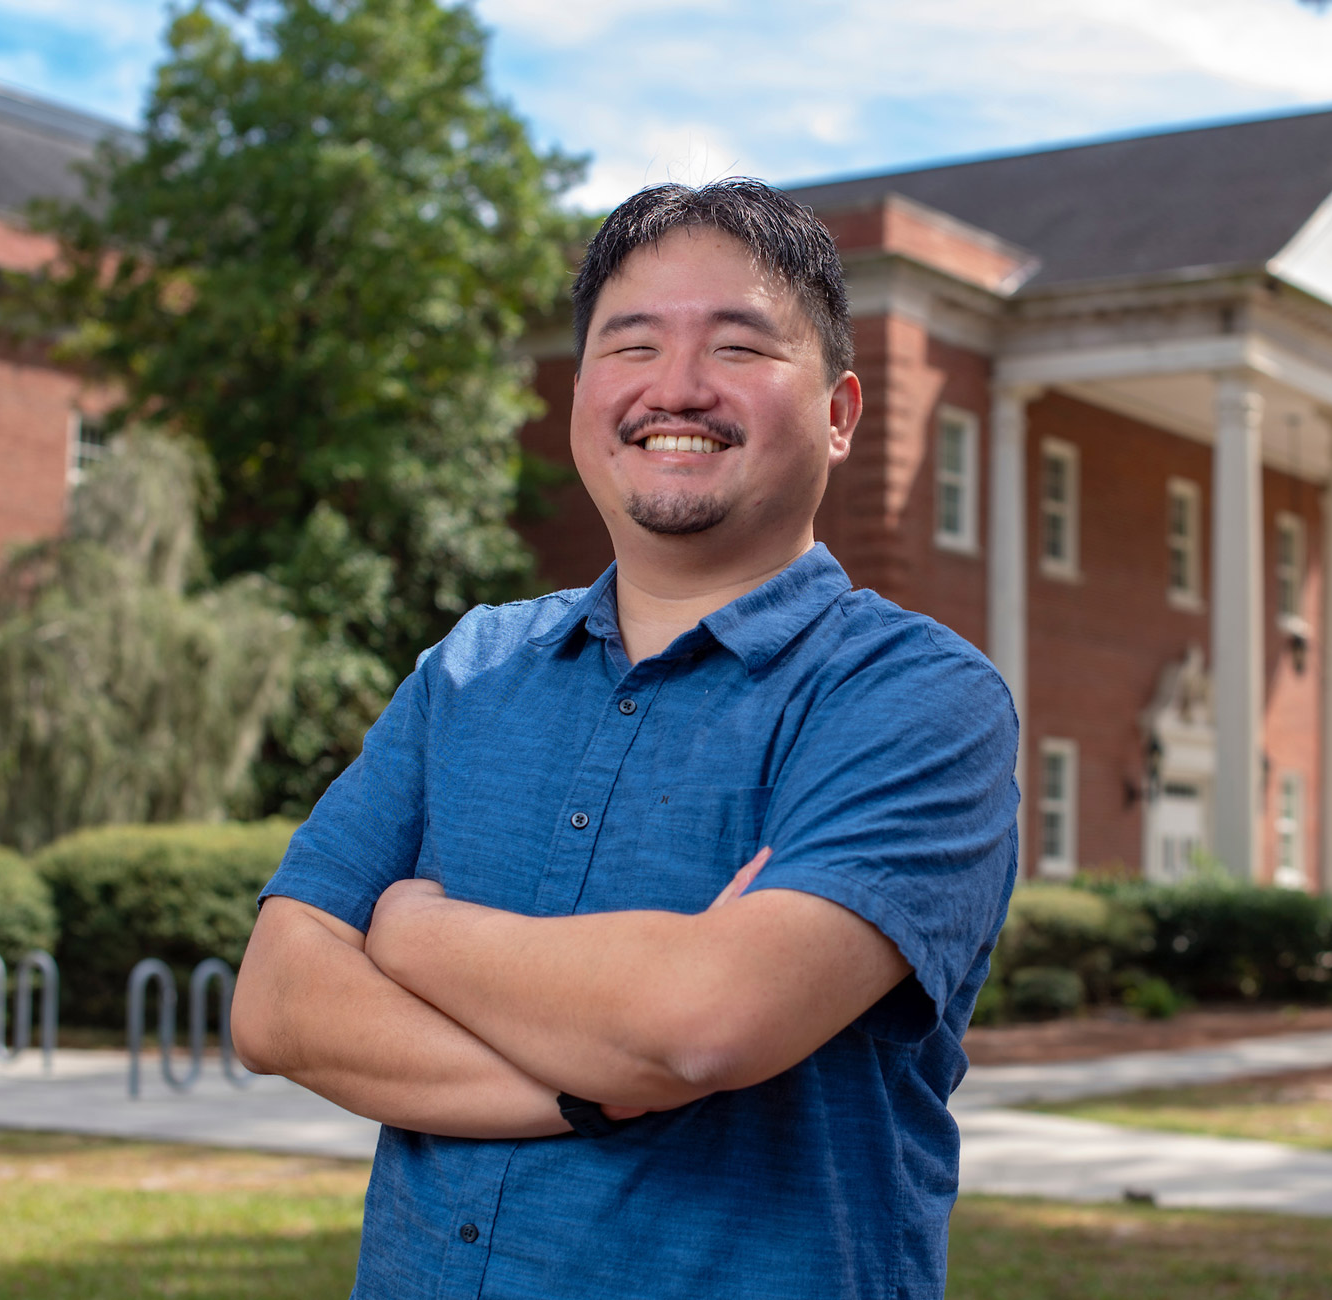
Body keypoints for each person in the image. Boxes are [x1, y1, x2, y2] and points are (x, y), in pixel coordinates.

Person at [231, 178, 1019, 1300]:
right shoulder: (470, 671)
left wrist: (410, 930)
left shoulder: (914, 698)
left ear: (842, 414)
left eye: (739, 347)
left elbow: (703, 1023)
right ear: (579, 392)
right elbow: (277, 1005)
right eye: (631, 344)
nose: (677, 388)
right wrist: (593, 1085)